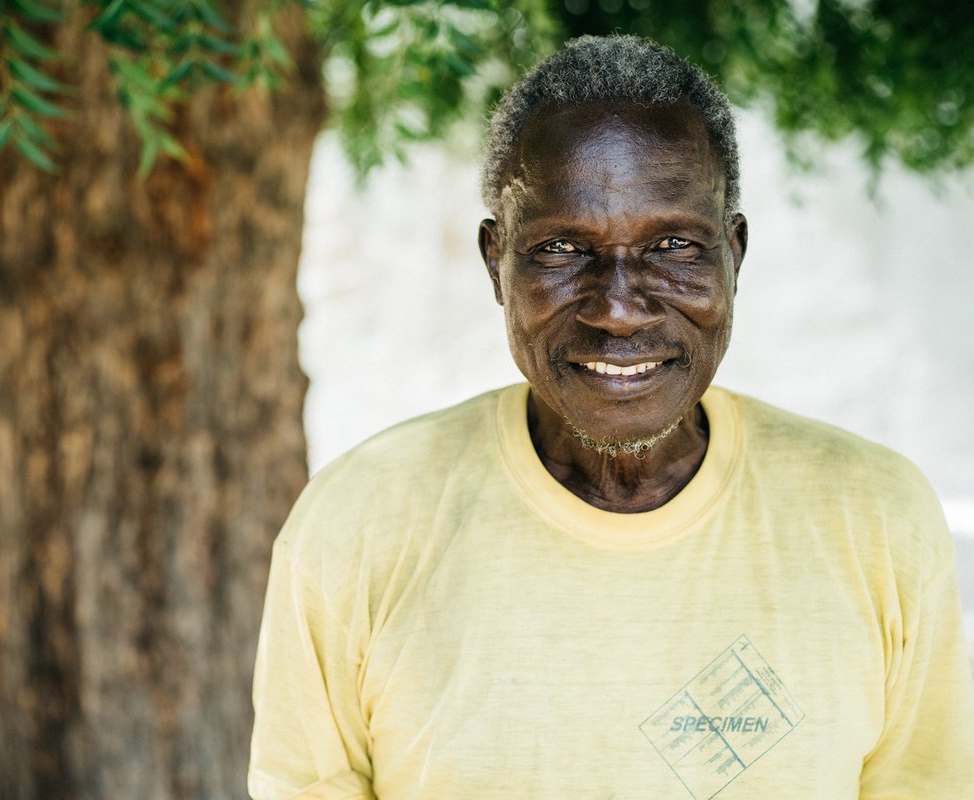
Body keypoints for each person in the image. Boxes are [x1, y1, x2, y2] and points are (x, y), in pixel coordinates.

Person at [247, 34, 974, 799]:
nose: (618, 309)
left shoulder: (874, 518)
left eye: (671, 245)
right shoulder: (359, 522)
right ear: (496, 262)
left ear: (733, 255)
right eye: (562, 248)